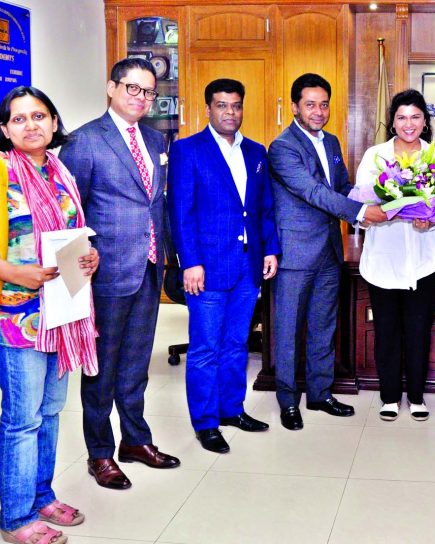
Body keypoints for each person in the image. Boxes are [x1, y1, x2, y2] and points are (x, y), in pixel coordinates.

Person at [0, 86, 99, 544]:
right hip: (14, 320)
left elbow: (70, 235)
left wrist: (87, 256)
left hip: (62, 314)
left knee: (50, 413)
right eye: (19, 119)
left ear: (54, 123)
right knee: (22, 419)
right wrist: (15, 271)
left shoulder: (60, 173)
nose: (31, 125)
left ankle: (41, 495)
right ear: (5, 129)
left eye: (39, 116)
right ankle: (16, 518)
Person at [60, 57, 180, 490]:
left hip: (148, 265)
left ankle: (135, 440)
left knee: (136, 362)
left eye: (149, 92)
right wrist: (81, 262)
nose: (141, 98)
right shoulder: (85, 141)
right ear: (111, 88)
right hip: (105, 270)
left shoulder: (153, 139)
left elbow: (156, 203)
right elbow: (69, 212)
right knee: (101, 368)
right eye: (133, 88)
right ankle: (99, 453)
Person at [268, 73, 388, 431]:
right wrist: (363, 213)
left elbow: (343, 187)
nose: (318, 112)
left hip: (328, 252)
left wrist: (388, 196)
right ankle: (288, 400)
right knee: (288, 331)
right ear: (294, 107)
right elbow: (313, 192)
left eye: (323, 104)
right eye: (310, 105)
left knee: (323, 326)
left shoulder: (332, 142)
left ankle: (320, 393)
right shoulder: (283, 147)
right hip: (295, 253)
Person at [168, 78, 281, 453]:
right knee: (205, 348)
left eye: (235, 105)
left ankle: (232, 409)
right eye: (221, 105)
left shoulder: (256, 152)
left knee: (236, 343)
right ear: (208, 109)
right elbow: (180, 213)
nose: (230, 112)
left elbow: (264, 209)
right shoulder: (188, 150)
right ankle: (205, 421)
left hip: (248, 266)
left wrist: (270, 250)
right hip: (207, 268)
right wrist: (190, 262)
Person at [354, 89, 435, 421]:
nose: (409, 124)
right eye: (402, 117)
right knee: (387, 331)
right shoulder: (375, 156)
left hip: (423, 259)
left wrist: (430, 219)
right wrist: (384, 210)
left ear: (424, 121)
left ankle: (417, 396)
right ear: (392, 121)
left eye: (416, 117)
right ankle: (389, 396)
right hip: (383, 260)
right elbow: (362, 204)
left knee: (419, 332)